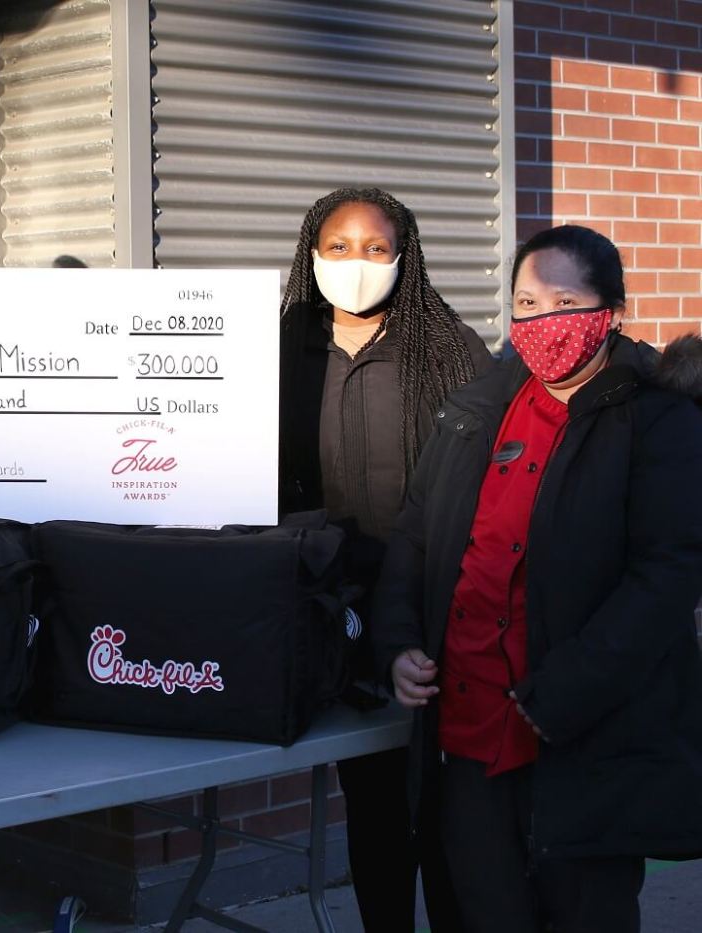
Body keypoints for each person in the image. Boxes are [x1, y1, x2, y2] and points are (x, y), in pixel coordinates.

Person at [374, 224, 702, 932]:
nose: (543, 320)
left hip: (585, 743)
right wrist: (398, 641)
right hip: (468, 732)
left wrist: (565, 692)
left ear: (611, 312)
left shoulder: (657, 420)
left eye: (564, 301)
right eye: (526, 302)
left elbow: (668, 576)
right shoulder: (474, 411)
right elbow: (416, 537)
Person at [278, 187, 491, 932]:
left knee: (447, 809)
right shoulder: (279, 351)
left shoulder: (449, 348)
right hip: (330, 613)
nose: (357, 263)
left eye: (376, 248)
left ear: (405, 257)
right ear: (312, 253)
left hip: (433, 612)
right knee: (372, 805)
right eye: (339, 247)